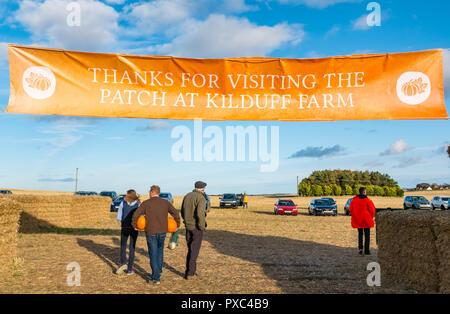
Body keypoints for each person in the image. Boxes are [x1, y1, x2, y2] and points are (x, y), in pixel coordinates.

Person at [131, 185, 180, 284]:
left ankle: (156, 278)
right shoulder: (165, 202)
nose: (149, 193)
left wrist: (134, 225)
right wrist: (177, 224)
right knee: (160, 252)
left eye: (149, 191)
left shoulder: (146, 203)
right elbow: (175, 213)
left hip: (151, 232)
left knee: (153, 254)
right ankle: (159, 271)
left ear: (153, 192)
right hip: (162, 232)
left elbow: (136, 214)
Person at [181, 181, 207, 280]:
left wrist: (186, 221)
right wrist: (201, 226)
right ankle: (190, 273)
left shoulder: (187, 196)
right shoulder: (201, 198)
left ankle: (190, 270)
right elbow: (200, 213)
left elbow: (182, 211)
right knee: (194, 251)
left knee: (190, 249)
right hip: (196, 227)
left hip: (188, 227)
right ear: (203, 189)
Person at [116, 189, 140, 275]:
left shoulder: (123, 203)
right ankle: (130, 269)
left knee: (123, 246)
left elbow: (118, 217)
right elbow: (141, 217)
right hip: (134, 228)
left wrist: (124, 221)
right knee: (132, 248)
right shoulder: (138, 205)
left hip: (125, 227)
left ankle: (123, 264)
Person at [349, 187, 376, 256]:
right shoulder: (368, 200)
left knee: (360, 235)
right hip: (366, 220)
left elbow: (351, 209)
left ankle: (360, 249)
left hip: (358, 220)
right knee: (367, 236)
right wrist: (371, 217)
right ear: (364, 192)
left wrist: (355, 216)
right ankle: (367, 250)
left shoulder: (354, 200)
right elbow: (372, 210)